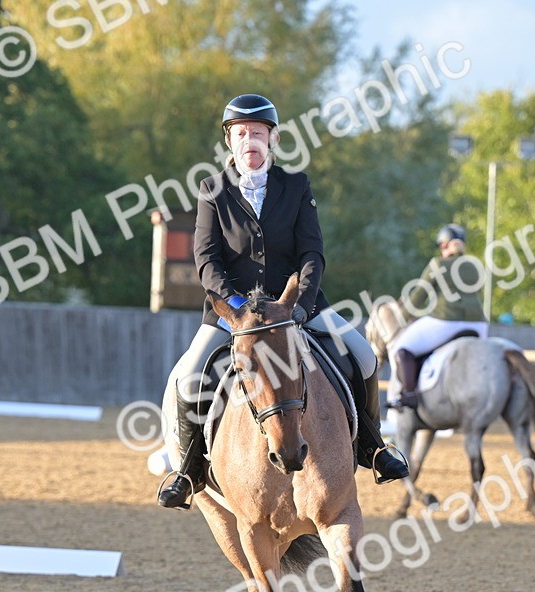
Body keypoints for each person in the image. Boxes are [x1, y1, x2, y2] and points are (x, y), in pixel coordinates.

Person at [157, 93, 409, 509]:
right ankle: (187, 471)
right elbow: (206, 259)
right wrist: (236, 307)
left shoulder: (296, 185)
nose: (249, 141)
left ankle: (374, 447)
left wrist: (300, 305)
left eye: (258, 132)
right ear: (230, 141)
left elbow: (312, 253)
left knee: (364, 356)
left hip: (295, 306)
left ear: (272, 139)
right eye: (241, 133)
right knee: (189, 377)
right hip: (234, 312)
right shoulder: (212, 190)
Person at [388, 224, 490, 409]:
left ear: (445, 245)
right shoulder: (476, 266)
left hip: (447, 320)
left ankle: (409, 394)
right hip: (479, 325)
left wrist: (402, 317)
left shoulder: (438, 264)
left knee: (402, 348)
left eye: (441, 245)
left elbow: (419, 296)